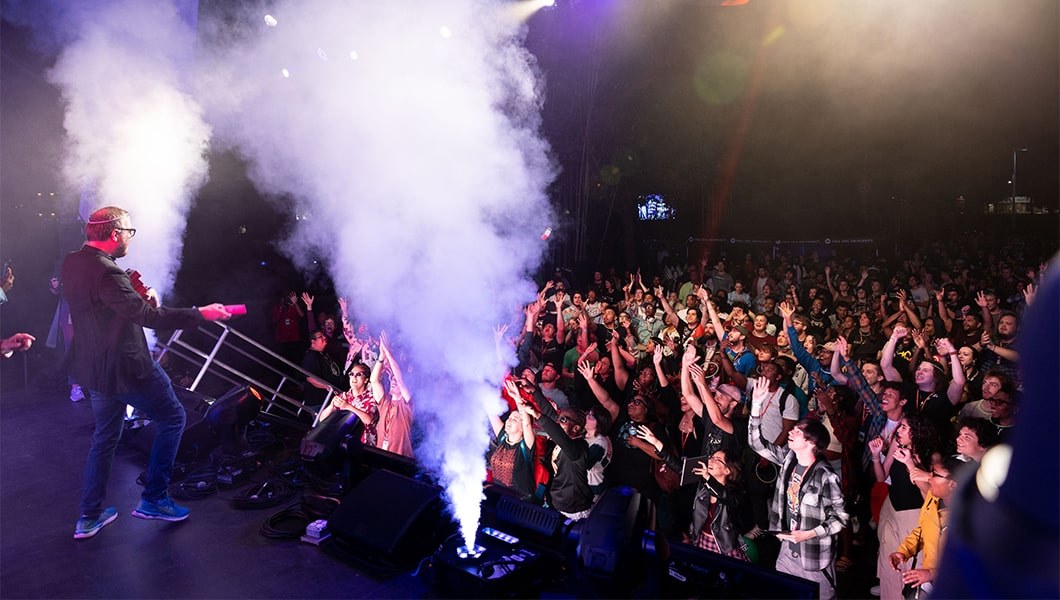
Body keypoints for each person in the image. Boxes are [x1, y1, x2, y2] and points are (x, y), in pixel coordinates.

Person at [62, 206, 232, 539]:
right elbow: (149, 317)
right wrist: (202, 314)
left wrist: (131, 295)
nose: (130, 238)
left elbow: (102, 309)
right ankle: (154, 498)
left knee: (105, 437)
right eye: (129, 232)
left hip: (94, 369)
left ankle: (89, 516)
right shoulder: (108, 273)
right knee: (173, 418)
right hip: (125, 367)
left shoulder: (73, 262)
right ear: (115, 235)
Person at [748, 377, 849, 599]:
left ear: (813, 442)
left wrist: (808, 534)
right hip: (786, 552)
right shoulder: (788, 460)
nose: (791, 431)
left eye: (798, 430)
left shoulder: (825, 476)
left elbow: (840, 518)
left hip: (814, 558)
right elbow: (757, 444)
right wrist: (756, 406)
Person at [887, 455, 962, 597]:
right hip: (930, 581)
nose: (929, 478)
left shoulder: (968, 516)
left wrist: (932, 574)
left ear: (953, 484)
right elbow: (923, 530)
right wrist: (903, 551)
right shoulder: (933, 498)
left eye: (935, 475)